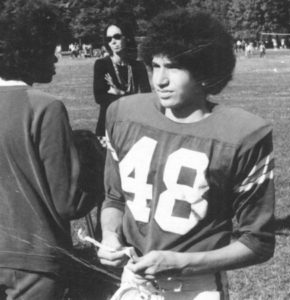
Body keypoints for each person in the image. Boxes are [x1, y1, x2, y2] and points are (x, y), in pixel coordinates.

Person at [97, 8, 275, 300]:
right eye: (155, 65)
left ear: (204, 71)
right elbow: (115, 199)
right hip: (133, 280)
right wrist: (109, 235)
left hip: (195, 288)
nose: (160, 80)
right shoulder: (123, 114)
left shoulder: (242, 135)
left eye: (175, 67)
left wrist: (180, 262)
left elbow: (257, 242)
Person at [0, 1, 103, 299]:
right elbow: (68, 203)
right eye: (49, 46)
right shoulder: (45, 107)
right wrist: (98, 162)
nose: (57, 54)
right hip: (34, 263)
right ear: (28, 51)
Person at [93, 17, 151, 139]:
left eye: (117, 37)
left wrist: (118, 92)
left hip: (134, 128)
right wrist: (131, 97)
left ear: (127, 37)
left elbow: (147, 98)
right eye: (109, 39)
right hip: (108, 129)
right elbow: (100, 97)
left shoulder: (138, 66)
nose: (113, 42)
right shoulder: (101, 65)